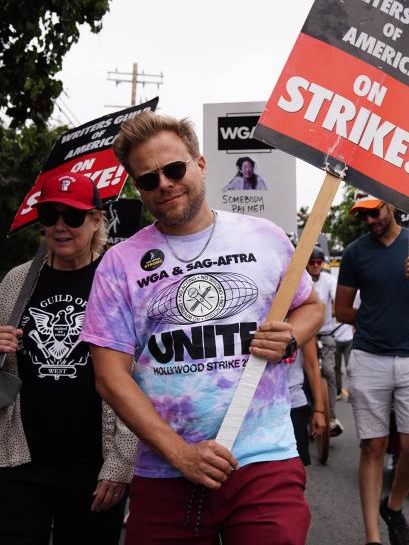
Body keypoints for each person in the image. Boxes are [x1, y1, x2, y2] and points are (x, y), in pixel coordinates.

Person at [82, 111, 323, 544]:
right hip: (164, 471)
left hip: (261, 458)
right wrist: (181, 454)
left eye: (174, 169)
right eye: (148, 180)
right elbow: (109, 377)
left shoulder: (265, 237)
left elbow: (311, 307)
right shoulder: (119, 264)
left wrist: (291, 335)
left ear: (201, 164)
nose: (165, 185)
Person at [0, 174, 136, 545]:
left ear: (95, 220)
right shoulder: (17, 280)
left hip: (92, 465)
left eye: (73, 217)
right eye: (49, 214)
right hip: (14, 461)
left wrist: (122, 461)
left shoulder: (116, 280)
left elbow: (138, 377)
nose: (60, 226)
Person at [335, 192, 409, 545]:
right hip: (369, 358)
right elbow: (342, 311)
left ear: (391, 205)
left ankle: (393, 507)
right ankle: (372, 538)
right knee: (373, 446)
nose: (369, 220)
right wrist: (374, 322)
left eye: (374, 212)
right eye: (362, 216)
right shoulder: (354, 253)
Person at [308, 247, 344, 436]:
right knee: (303, 375)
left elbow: (337, 298)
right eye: (312, 262)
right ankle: (307, 413)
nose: (315, 266)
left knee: (329, 372)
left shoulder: (329, 281)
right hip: (306, 336)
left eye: (318, 262)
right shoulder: (301, 281)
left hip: (327, 332)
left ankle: (331, 417)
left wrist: (340, 309)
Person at [286, 336, 328, 465]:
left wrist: (319, 411)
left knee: (295, 469)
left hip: (294, 403)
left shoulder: (302, 316)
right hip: (254, 408)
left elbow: (312, 365)